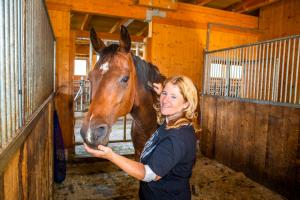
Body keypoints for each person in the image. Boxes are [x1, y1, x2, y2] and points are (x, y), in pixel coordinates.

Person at [84, 75, 199, 200]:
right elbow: (166, 104)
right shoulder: (173, 121)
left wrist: (111, 156)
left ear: (186, 104)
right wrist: (164, 93)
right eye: (164, 94)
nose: (165, 100)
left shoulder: (177, 138)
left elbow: (149, 173)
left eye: (174, 96)